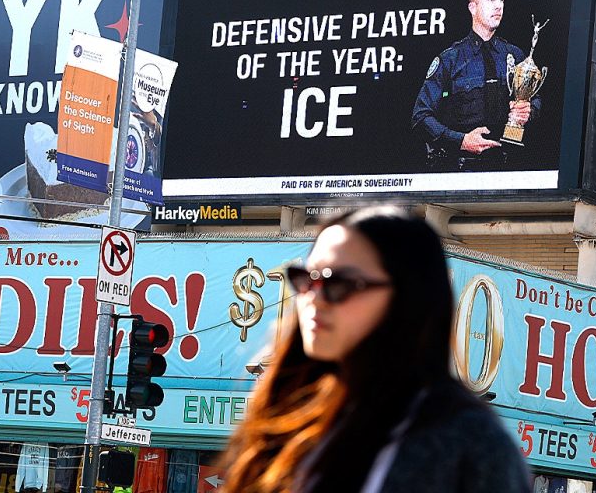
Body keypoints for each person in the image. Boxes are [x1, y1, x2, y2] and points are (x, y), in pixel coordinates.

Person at [221, 206, 531, 493]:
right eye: (306, 280)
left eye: (339, 283)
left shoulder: (471, 441)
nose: (313, 299)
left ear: (408, 297)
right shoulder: (286, 414)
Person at [412, 0, 540, 172]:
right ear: (473, 7)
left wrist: (528, 112)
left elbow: (536, 99)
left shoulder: (516, 56)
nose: (499, 5)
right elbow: (420, 117)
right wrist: (461, 141)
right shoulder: (450, 59)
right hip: (460, 169)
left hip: (509, 169)